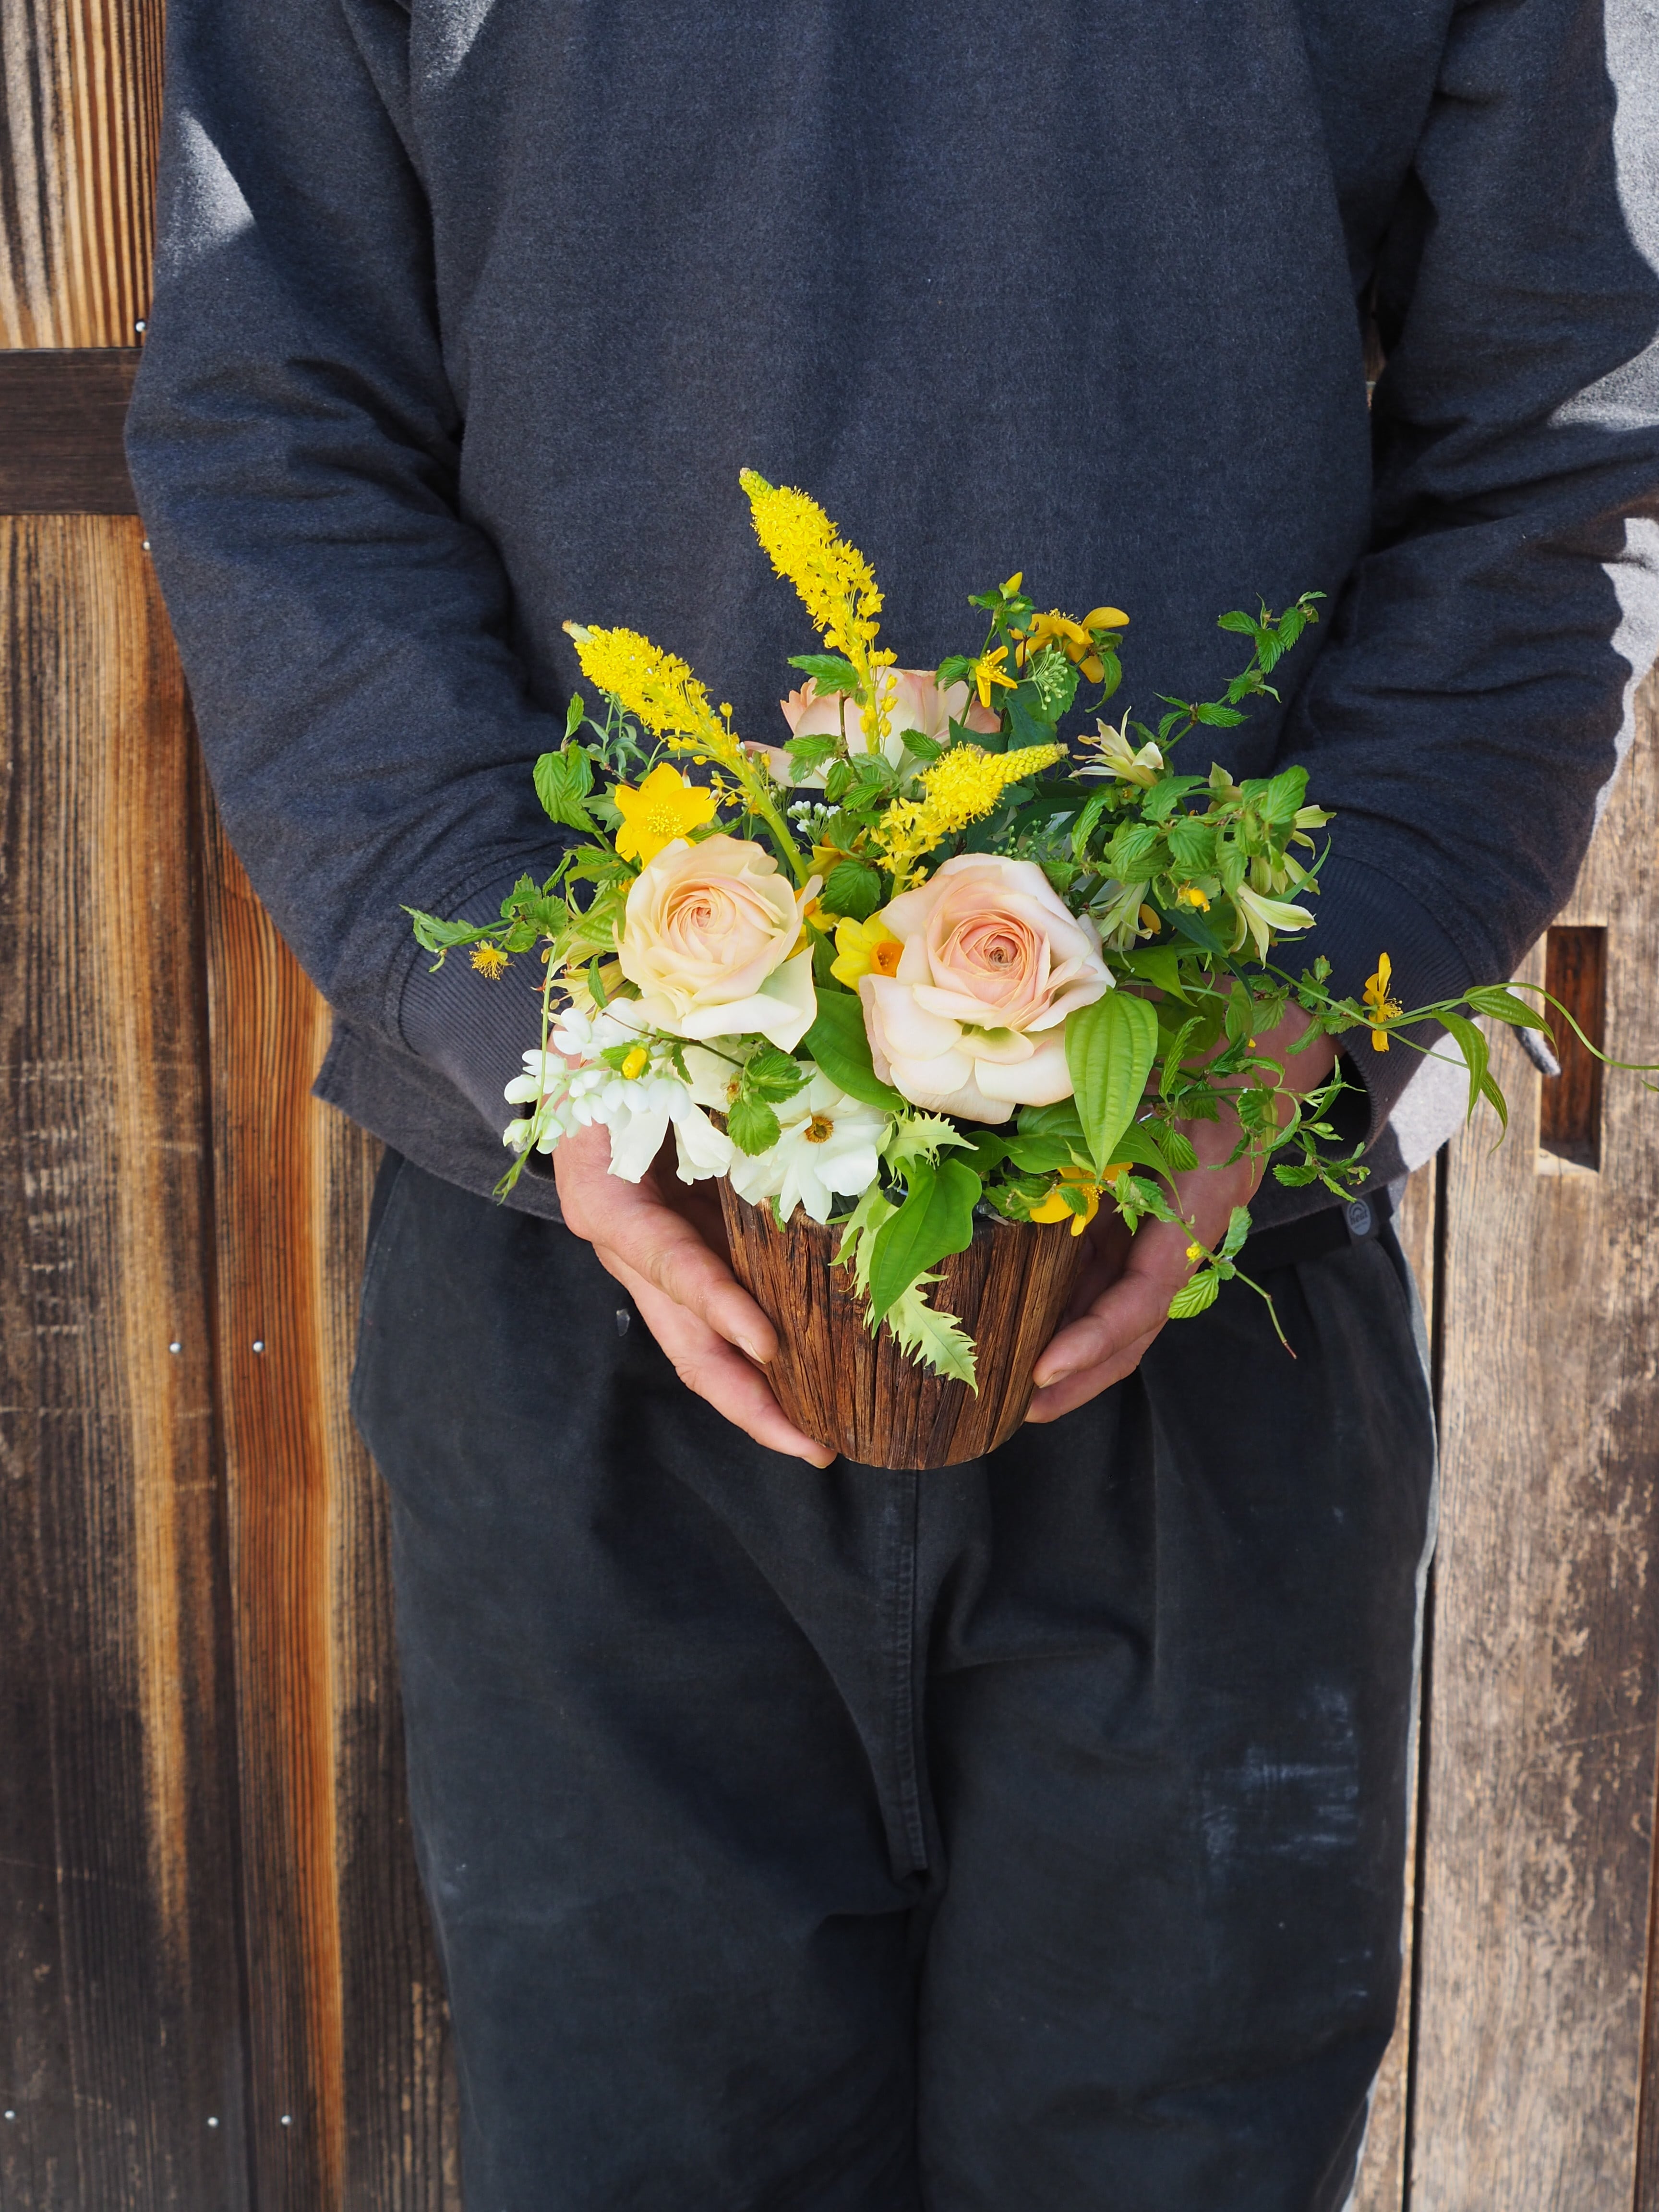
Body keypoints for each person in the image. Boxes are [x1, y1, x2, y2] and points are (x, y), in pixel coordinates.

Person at [127, 4, 1659, 2205]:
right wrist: (551, 1019)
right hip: (597, 1276)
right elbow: (278, 419)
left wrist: (1291, 1013)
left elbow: (1562, 441)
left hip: (1199, 1270)